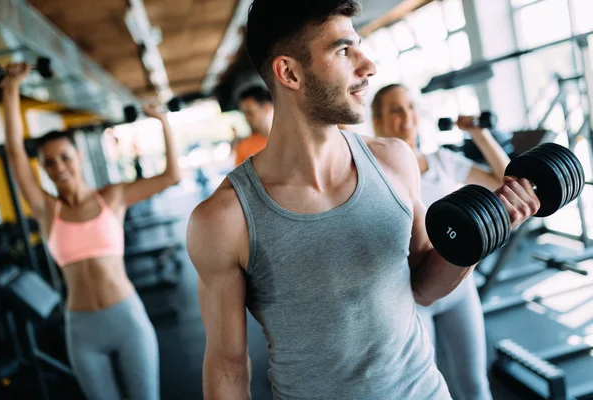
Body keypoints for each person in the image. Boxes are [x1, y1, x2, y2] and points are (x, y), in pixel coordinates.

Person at [186, 1, 540, 399]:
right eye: (343, 50)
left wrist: (482, 233)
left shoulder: (394, 161)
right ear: (289, 72)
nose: (368, 65)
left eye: (359, 45)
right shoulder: (225, 218)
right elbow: (228, 368)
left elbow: (423, 286)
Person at [1, 62, 181, 400]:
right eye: (50, 162)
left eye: (65, 157)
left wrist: (163, 121)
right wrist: (11, 88)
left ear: (79, 156)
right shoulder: (45, 208)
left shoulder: (111, 197)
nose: (59, 167)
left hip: (127, 319)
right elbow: (14, 154)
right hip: (82, 331)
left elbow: (172, 175)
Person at [372, 84, 511, 400]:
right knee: (424, 393)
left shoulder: (442, 161)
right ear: (377, 121)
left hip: (461, 291)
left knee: (475, 385)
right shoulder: (375, 173)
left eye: (410, 107)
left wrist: (478, 133)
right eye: (395, 110)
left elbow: (506, 183)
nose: (406, 117)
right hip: (411, 301)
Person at [233, 85, 274, 166]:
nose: (246, 118)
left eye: (250, 113)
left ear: (267, 108)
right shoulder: (243, 148)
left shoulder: (290, 137)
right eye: (244, 113)